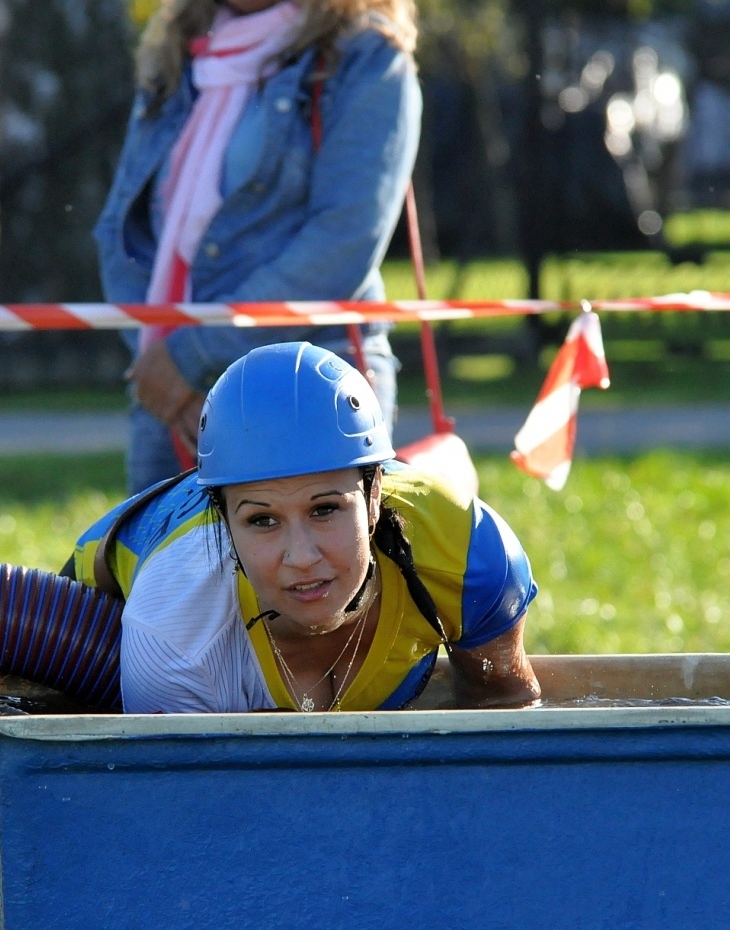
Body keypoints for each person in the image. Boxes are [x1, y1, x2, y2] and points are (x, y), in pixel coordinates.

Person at [67, 342, 540, 712]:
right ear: (225, 521)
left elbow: (509, 730)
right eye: (262, 520)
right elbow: (185, 803)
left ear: (374, 494)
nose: (302, 557)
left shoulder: (469, 556)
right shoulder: (173, 632)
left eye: (325, 510)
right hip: (96, 613)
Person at [93, 0, 421, 493]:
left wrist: (192, 357)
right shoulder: (179, 51)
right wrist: (165, 366)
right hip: (168, 399)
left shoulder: (368, 54)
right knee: (159, 548)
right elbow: (120, 231)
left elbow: (342, 242)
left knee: (309, 548)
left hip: (310, 384)